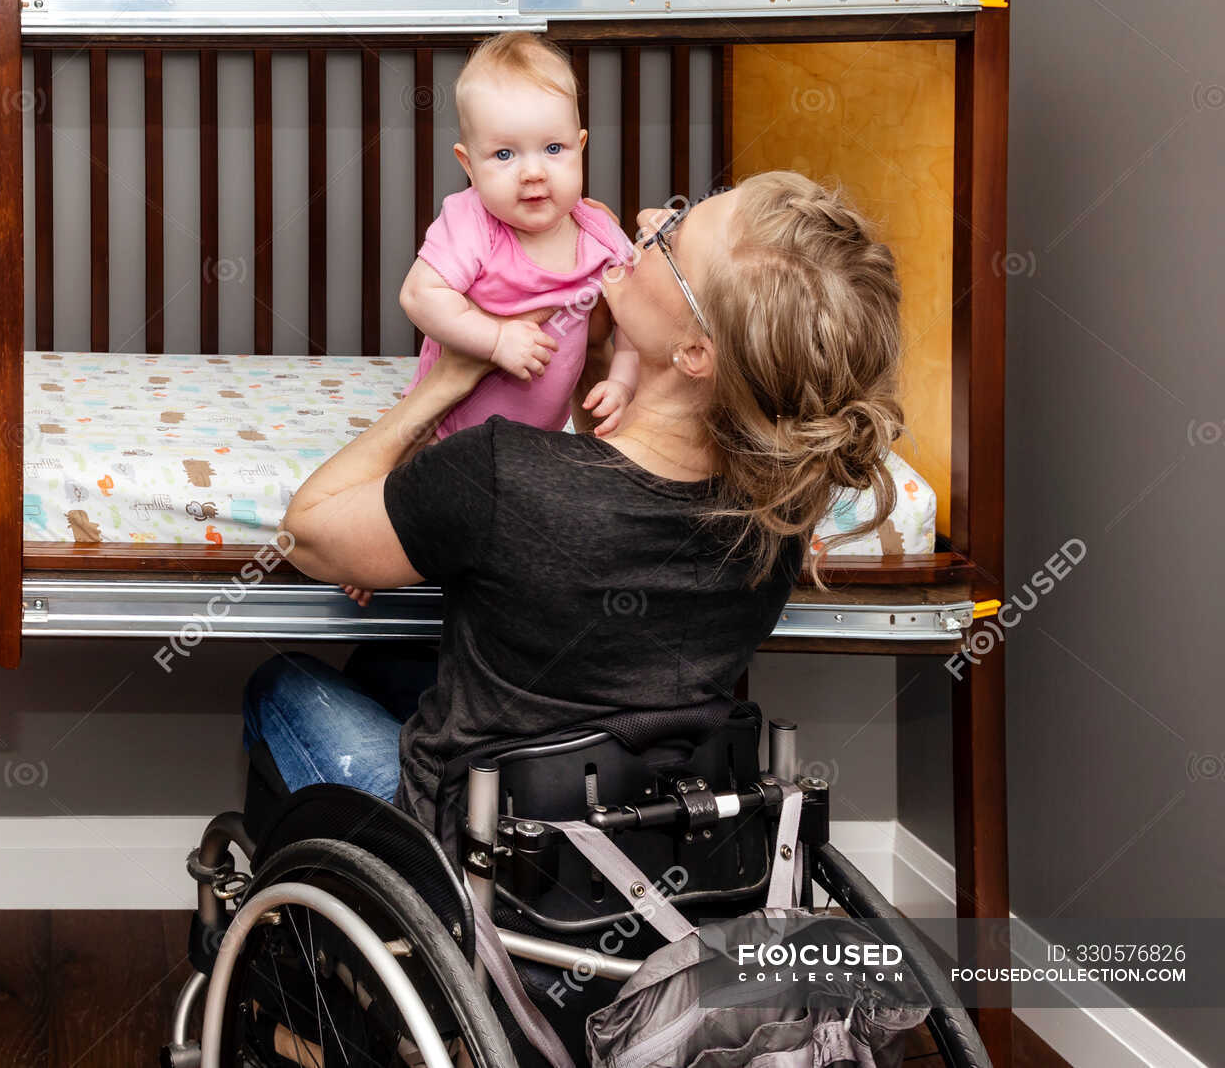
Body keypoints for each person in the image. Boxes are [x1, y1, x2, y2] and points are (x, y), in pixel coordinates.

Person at [243, 171, 906, 842]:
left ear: (696, 352)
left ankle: (302, 925)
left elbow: (309, 533)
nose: (649, 216)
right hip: (653, 840)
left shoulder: (499, 471)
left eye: (671, 239)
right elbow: (619, 478)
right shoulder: (781, 511)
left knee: (282, 682)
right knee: (386, 669)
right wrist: (598, 358)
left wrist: (441, 386)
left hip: (476, 849)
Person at [399, 31, 640, 443]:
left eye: (553, 148)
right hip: (444, 434)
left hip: (535, 441)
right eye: (505, 155)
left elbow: (637, 322)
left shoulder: (601, 236)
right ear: (469, 165)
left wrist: (620, 382)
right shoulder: (472, 223)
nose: (533, 173)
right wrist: (495, 339)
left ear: (580, 147)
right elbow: (420, 296)